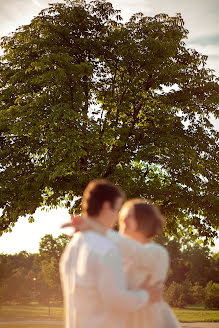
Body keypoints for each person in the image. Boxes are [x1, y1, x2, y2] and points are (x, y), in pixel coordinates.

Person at [60, 180, 163, 328]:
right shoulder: (106, 249)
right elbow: (116, 299)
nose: (117, 217)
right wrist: (146, 296)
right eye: (116, 210)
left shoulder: (73, 245)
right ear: (106, 207)